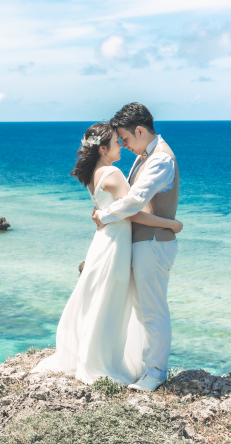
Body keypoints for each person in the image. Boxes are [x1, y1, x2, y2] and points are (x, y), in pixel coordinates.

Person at [31, 122, 182, 385]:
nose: (121, 146)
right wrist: (171, 225)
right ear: (103, 149)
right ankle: (102, 361)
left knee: (98, 299)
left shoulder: (95, 174)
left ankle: (92, 355)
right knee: (109, 303)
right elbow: (132, 211)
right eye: (116, 141)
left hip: (105, 240)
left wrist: (102, 215)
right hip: (116, 244)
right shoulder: (113, 173)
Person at [91, 102, 180, 392]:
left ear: (140, 130)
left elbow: (134, 200)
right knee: (143, 311)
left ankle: (156, 373)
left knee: (153, 310)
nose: (124, 145)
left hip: (153, 243)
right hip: (143, 241)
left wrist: (104, 216)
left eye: (125, 139)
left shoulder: (160, 160)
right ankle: (147, 368)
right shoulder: (145, 156)